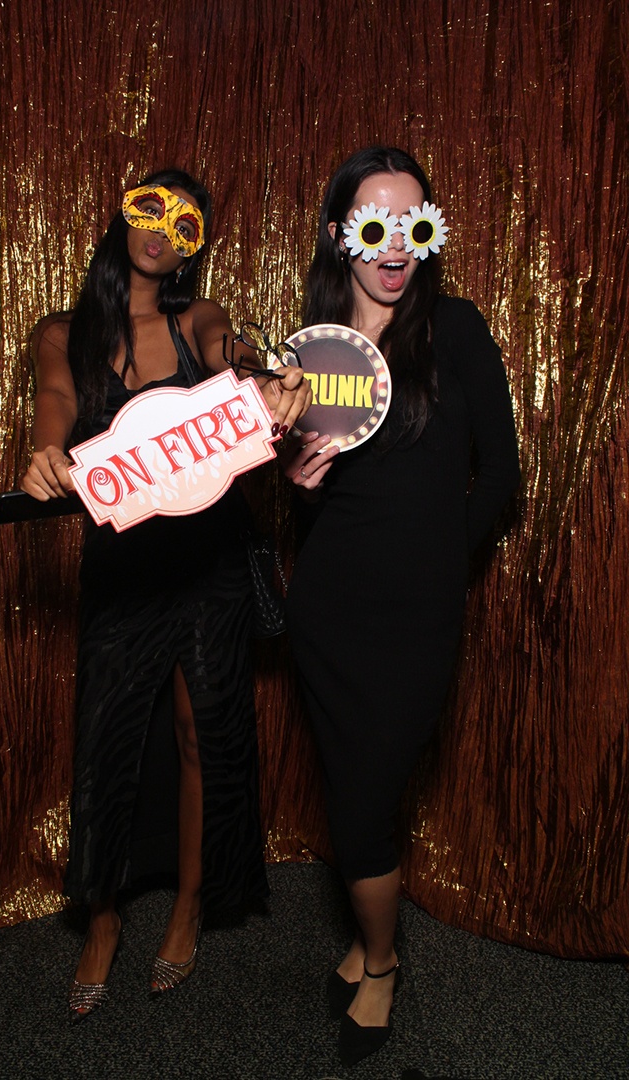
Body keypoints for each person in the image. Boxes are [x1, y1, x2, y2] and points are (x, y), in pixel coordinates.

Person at [20, 169, 310, 1020]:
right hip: (123, 563)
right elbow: (56, 399)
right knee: (107, 737)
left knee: (201, 732)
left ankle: (188, 905)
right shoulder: (63, 332)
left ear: (193, 249)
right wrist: (45, 452)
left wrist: (268, 377)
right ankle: (103, 920)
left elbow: (231, 353)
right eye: (150, 207)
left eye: (186, 223)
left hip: (210, 556)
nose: (163, 228)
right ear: (121, 216)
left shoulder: (196, 319)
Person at [283, 147, 520, 1068]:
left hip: (415, 616)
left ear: (429, 233)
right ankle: (367, 942)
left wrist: (440, 564)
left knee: (364, 804)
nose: (395, 246)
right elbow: (315, 502)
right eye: (374, 224)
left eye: (412, 225)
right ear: (339, 234)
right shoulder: (313, 349)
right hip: (328, 610)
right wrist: (301, 488)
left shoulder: (454, 329)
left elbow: (499, 476)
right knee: (350, 792)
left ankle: (380, 962)